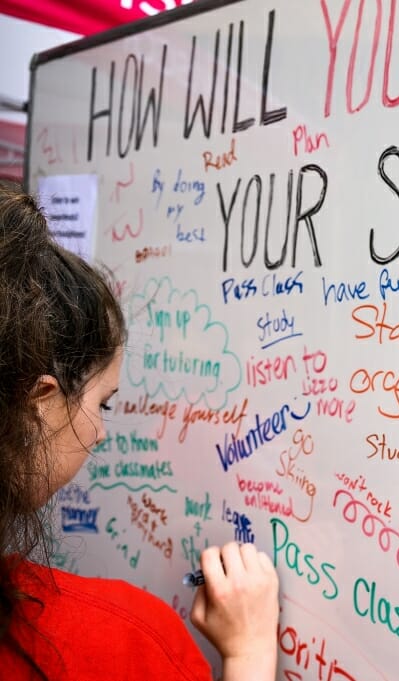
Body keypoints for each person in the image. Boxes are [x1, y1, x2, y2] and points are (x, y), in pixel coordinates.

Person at [0, 181, 280, 680]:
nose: (103, 433)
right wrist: (250, 654)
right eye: (103, 403)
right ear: (39, 404)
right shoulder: (125, 644)